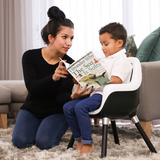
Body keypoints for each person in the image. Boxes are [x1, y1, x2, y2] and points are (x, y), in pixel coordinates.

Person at [12, 6, 92, 150]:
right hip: (31, 110)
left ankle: (44, 129)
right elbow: (32, 87)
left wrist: (73, 97)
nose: (69, 43)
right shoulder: (30, 56)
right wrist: (53, 77)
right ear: (51, 37)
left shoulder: (70, 64)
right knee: (21, 142)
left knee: (45, 143)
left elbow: (61, 97)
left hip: (56, 112)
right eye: (64, 37)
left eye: (71, 38)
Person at [63, 22, 132, 154]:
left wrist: (98, 78)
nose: (102, 48)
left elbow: (117, 80)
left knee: (80, 107)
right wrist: (79, 77)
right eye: (101, 44)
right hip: (96, 95)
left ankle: (88, 142)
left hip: (109, 98)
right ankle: (80, 139)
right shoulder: (104, 59)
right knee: (68, 107)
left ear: (119, 43)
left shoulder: (121, 60)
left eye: (106, 44)